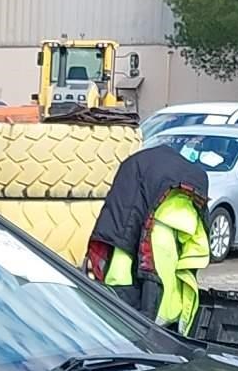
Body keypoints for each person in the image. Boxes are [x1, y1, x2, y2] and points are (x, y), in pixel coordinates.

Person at [84, 144, 210, 336]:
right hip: (171, 325)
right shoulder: (181, 217)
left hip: (142, 330)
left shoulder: (134, 197)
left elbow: (118, 276)